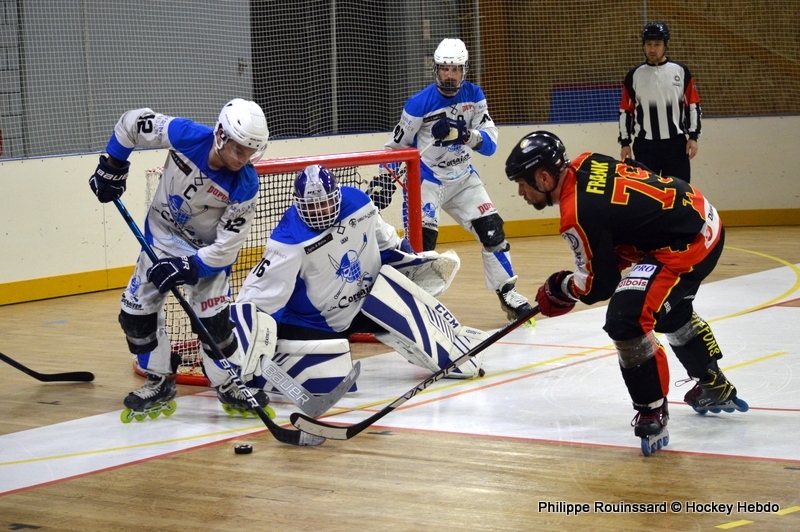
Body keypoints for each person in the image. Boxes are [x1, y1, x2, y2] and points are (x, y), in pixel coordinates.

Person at [504, 130, 748, 456]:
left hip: (685, 244)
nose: (520, 192)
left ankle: (652, 409)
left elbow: (598, 286)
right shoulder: (586, 160)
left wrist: (561, 287)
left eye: (522, 183)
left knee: (626, 318)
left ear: (544, 177)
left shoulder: (574, 214)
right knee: (667, 310)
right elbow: (623, 211)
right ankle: (713, 384)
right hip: (699, 218)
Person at [232, 164, 488, 396]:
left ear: (337, 196)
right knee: (334, 381)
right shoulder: (287, 240)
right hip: (314, 323)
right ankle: (258, 371)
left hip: (365, 306)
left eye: (325, 203)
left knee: (449, 349)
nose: (319, 211)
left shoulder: (359, 203)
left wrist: (411, 261)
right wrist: (235, 346)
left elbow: (388, 242)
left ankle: (454, 345)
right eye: (311, 206)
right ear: (298, 205)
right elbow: (256, 296)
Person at [88, 99, 271, 418]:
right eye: (239, 150)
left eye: (251, 152)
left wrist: (189, 266)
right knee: (135, 317)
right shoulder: (186, 134)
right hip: (160, 239)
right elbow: (132, 122)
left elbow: (227, 248)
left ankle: (228, 383)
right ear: (220, 135)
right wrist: (113, 165)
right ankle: (159, 379)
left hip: (205, 256)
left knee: (214, 326)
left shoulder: (246, 185)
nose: (244, 159)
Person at [375, 37, 533, 321]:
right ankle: (412, 306)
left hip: (463, 179)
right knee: (422, 245)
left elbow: (490, 144)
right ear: (436, 69)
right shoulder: (418, 103)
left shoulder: (475, 95)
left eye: (455, 68)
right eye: (445, 68)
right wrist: (383, 180)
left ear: (465, 69)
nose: (450, 74)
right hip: (427, 179)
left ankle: (508, 293)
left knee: (493, 231)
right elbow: (395, 148)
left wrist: (465, 135)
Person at [618, 22, 702, 183]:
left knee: (679, 194)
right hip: (645, 148)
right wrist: (625, 142)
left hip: (676, 146)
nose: (652, 49)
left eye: (657, 44)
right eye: (648, 44)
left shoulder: (680, 71)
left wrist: (693, 136)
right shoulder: (634, 75)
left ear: (665, 45)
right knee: (646, 196)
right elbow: (625, 111)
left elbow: (693, 106)